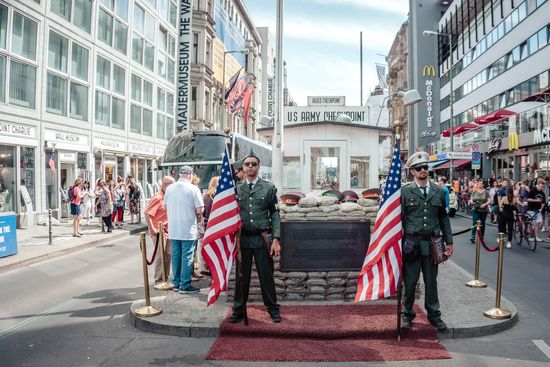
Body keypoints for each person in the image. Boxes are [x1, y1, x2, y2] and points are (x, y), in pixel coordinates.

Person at [401, 152, 452, 332]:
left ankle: (434, 315)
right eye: (419, 168)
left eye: (425, 167)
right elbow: (399, 218)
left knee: (431, 282)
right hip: (412, 243)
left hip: (433, 242)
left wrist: (449, 242)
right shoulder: (405, 191)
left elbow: (443, 218)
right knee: (410, 281)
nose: (423, 171)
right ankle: (407, 315)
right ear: (412, 172)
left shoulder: (439, 190)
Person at [229, 150, 282, 324]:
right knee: (241, 278)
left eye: (254, 164)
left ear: (258, 167)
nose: (250, 167)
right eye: (247, 164)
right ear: (242, 168)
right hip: (242, 239)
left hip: (261, 238)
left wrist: (276, 239)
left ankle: (273, 309)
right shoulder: (236, 189)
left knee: (266, 275)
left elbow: (274, 214)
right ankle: (238, 310)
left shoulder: (268, 188)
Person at [164, 166, 204, 294]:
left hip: (174, 228)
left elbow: (165, 207)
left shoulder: (169, 188)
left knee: (176, 256)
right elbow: (199, 210)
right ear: (190, 175)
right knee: (187, 257)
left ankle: (176, 283)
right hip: (188, 228)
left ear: (180, 175)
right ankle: (185, 285)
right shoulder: (193, 189)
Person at [144, 176, 175, 285]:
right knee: (159, 255)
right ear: (165, 184)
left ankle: (165, 277)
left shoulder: (167, 196)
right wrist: (152, 229)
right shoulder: (158, 197)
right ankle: (158, 279)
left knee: (168, 255)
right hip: (159, 231)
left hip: (168, 230)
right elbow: (147, 213)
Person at [195, 176, 219, 277]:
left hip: (207, 224)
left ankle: (203, 267)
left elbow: (203, 213)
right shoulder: (217, 195)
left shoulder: (207, 196)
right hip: (215, 225)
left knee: (203, 246)